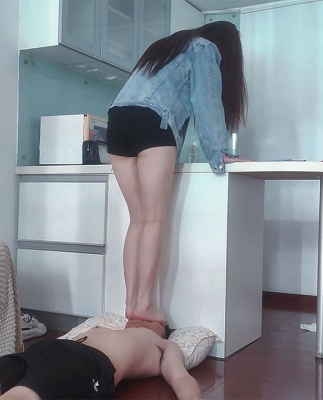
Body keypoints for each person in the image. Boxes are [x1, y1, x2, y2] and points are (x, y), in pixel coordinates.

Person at [106, 21, 249, 325]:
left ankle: (131, 303)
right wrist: (219, 153)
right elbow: (206, 102)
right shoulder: (205, 48)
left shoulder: (166, 47)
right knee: (153, 219)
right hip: (151, 121)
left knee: (138, 220)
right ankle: (145, 304)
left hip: (117, 120)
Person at [0, 319, 200, 400]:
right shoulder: (102, 328)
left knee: (19, 397)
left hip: (89, 364)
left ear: (161, 328)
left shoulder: (163, 345)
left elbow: (182, 380)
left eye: (156, 320)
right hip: (44, 351)